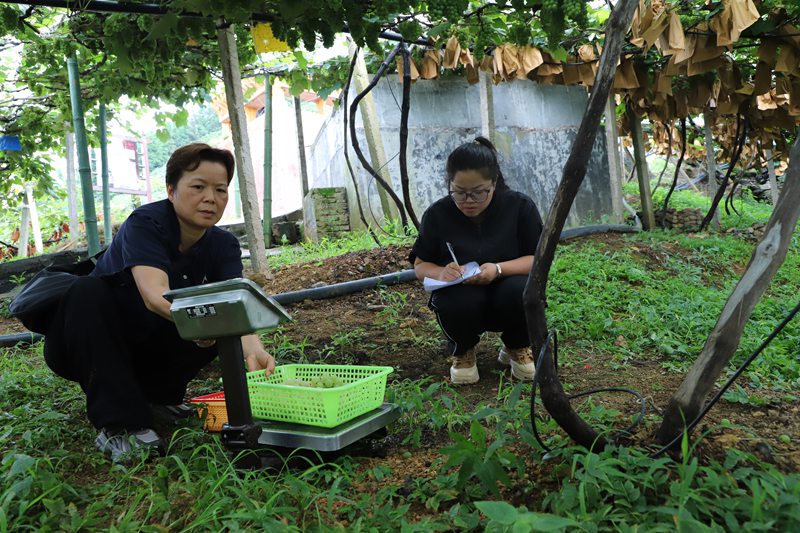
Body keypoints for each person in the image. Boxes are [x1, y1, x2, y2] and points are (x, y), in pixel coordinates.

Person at [43, 143, 276, 462]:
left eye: (220, 189)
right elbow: (155, 296)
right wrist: (201, 321)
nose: (211, 197)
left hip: (146, 343)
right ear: (171, 190)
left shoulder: (223, 245)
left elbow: (233, 303)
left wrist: (254, 348)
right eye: (198, 187)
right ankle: (120, 426)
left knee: (215, 314)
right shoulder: (146, 223)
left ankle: (159, 397)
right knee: (88, 290)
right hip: (87, 343)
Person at [409, 137, 544, 384]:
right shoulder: (438, 214)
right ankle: (463, 350)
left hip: (507, 292)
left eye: (479, 192)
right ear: (449, 184)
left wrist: (498, 269)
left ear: (494, 183)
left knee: (521, 289)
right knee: (453, 299)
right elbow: (420, 265)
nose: (469, 201)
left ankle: (518, 345)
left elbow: (538, 260)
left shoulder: (520, 207)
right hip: (464, 299)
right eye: (459, 193)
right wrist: (441, 273)